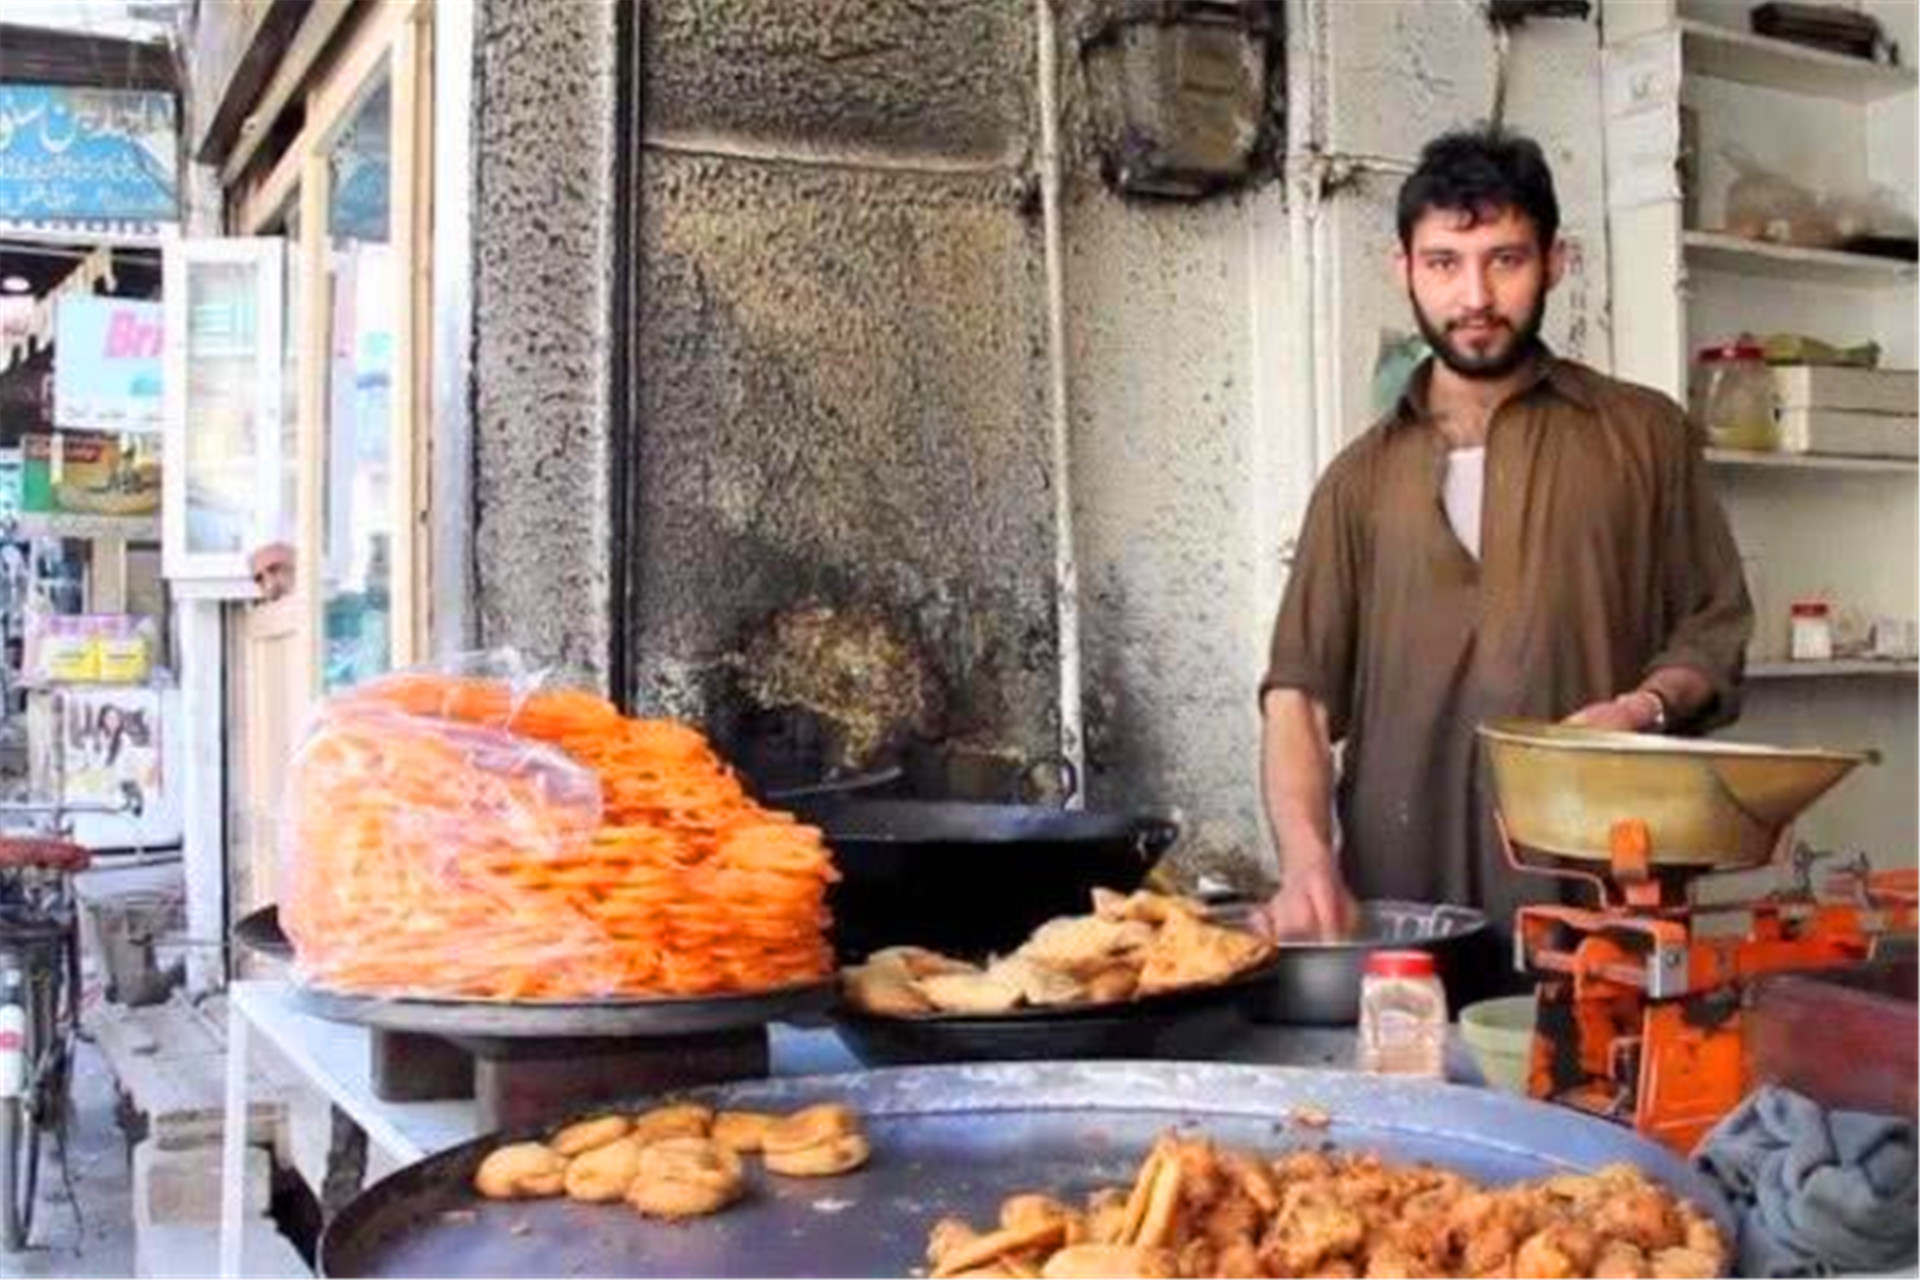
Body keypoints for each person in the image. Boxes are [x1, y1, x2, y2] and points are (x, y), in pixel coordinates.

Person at [1252, 127, 1752, 971]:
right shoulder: (1357, 481)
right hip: (1398, 924)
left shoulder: (1643, 435)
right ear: (1403, 269)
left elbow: (1715, 629)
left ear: (1556, 261)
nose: (1475, 294)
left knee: (1592, 1099)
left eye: (1505, 259)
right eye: (1445, 262)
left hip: (1595, 909)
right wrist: (1306, 861)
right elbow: (1297, 698)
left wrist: (1640, 710)